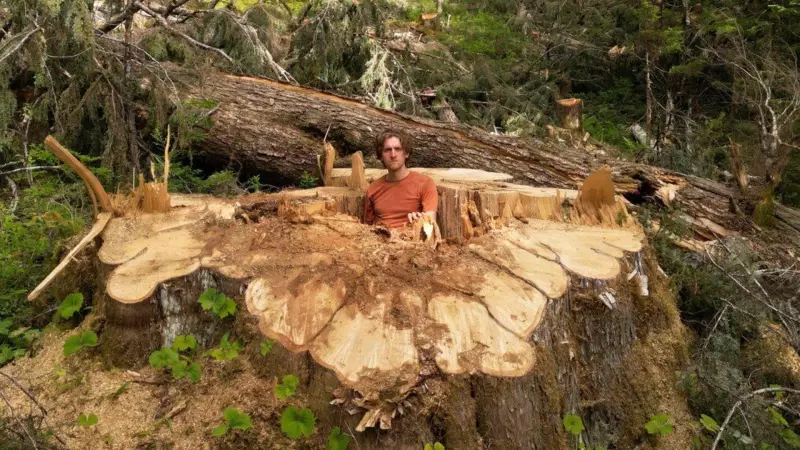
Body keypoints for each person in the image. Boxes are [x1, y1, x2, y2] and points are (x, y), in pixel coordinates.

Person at [363, 131, 438, 228]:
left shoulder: (425, 183)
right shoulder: (373, 189)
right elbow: (365, 229)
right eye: (387, 150)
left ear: (406, 153)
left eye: (398, 149)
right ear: (381, 156)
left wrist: (421, 220)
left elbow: (430, 223)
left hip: (413, 240)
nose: (393, 155)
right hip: (381, 240)